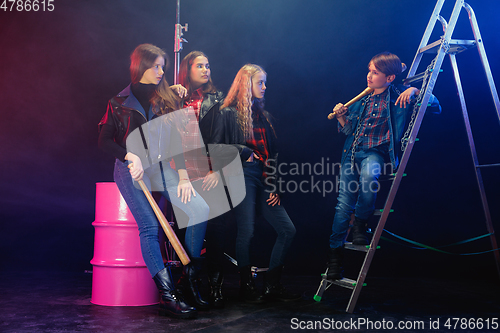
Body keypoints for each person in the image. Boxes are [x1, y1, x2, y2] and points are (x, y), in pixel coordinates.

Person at [98, 43, 209, 318]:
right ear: (141, 66)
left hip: (160, 167)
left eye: (163, 66)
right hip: (129, 170)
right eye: (156, 66)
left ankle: (189, 279)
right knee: (149, 227)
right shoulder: (118, 102)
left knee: (200, 210)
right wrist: (128, 157)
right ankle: (168, 296)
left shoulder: (167, 99)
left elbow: (176, 142)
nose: (161, 71)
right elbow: (103, 141)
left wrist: (183, 177)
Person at [326, 52, 441, 280]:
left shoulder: (399, 97)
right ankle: (334, 261)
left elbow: (436, 106)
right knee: (341, 208)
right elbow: (348, 131)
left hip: (375, 154)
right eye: (369, 70)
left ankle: (360, 223)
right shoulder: (361, 101)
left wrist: (416, 91)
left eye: (375, 72)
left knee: (370, 179)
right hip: (350, 155)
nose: (369, 76)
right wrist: (341, 118)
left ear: (389, 78)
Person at [216, 64, 301, 303]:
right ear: (246, 84)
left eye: (265, 82)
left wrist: (274, 185)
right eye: (260, 82)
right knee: (247, 230)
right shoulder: (227, 113)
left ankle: (271, 286)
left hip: (264, 178)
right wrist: (244, 152)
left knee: (287, 230)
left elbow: (274, 155)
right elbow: (215, 147)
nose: (265, 87)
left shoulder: (264, 116)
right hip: (242, 174)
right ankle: (246, 286)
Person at [175, 51, 228, 308]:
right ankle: (188, 284)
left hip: (207, 169)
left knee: (216, 228)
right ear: (188, 68)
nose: (206, 69)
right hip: (182, 170)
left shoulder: (217, 98)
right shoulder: (175, 97)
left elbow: (222, 136)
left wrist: (216, 169)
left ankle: (215, 287)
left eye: (208, 65)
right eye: (200, 65)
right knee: (185, 228)